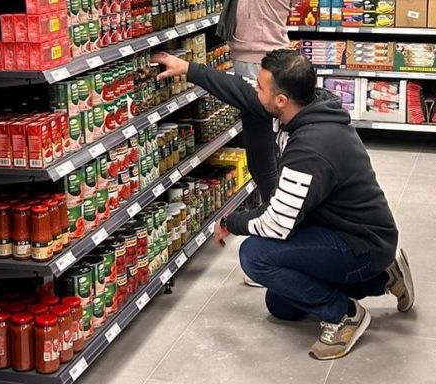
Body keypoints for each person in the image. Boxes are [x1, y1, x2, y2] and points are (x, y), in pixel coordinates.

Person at [152, 48, 415, 360]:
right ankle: (384, 277)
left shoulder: (311, 149)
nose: (255, 92)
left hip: (359, 242)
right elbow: (240, 91)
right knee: (281, 306)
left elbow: (278, 221)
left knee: (255, 255)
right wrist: (188, 68)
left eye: (261, 87)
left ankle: (344, 315)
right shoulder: (306, 104)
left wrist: (231, 222)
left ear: (280, 100)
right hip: (345, 228)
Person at [151, 0, 314, 228]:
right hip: (260, 64)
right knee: (263, 155)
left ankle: (278, 230)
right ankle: (276, 221)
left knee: (261, 160)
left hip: (260, 70)